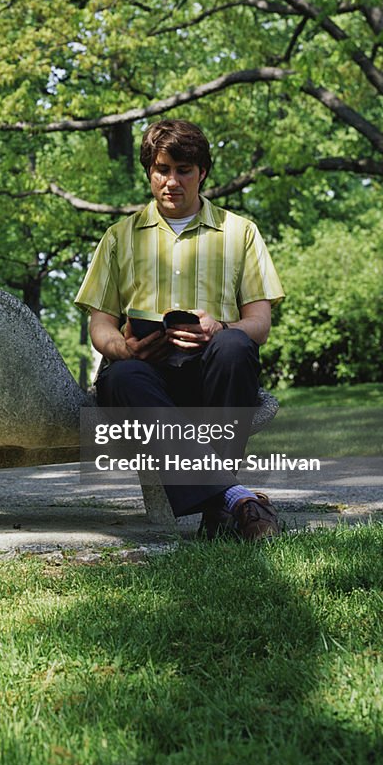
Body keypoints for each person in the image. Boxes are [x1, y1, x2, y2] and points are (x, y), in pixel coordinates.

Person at [75, 119, 285, 541]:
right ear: (150, 171)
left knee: (234, 345)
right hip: (144, 382)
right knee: (121, 373)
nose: (172, 181)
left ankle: (222, 506)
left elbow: (259, 325)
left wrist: (219, 326)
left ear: (202, 172)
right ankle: (235, 500)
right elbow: (100, 326)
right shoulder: (118, 237)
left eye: (183, 170)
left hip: (213, 379)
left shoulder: (240, 232)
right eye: (162, 169)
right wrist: (124, 346)